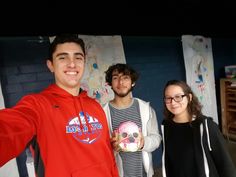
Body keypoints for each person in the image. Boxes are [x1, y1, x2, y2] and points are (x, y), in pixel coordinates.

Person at [0, 34, 119, 177]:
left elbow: (108, 156)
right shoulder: (37, 105)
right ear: (51, 65)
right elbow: (8, 129)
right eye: (63, 57)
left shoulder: (95, 106)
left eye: (78, 57)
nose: (72, 64)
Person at [161, 79, 236, 177]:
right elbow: (168, 161)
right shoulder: (166, 125)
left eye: (178, 97)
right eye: (168, 98)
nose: (173, 102)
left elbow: (225, 165)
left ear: (189, 97)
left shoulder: (206, 125)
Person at [103, 63, 162, 177]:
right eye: (116, 78)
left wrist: (143, 142)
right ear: (110, 83)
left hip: (144, 173)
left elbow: (156, 139)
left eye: (125, 77)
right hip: (117, 174)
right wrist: (112, 147)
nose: (121, 82)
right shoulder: (102, 112)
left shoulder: (146, 109)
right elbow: (100, 148)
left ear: (132, 82)